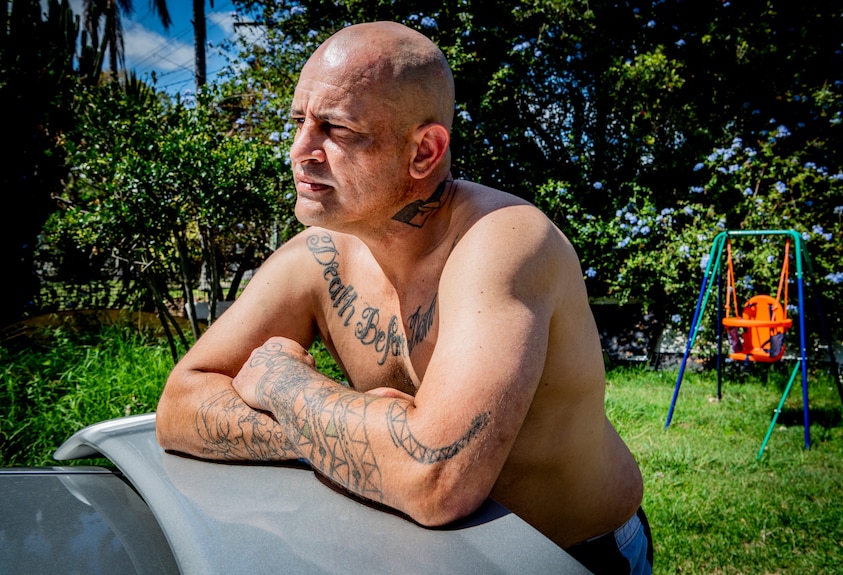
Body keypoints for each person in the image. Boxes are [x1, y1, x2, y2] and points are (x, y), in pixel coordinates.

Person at [155, 20, 652, 574]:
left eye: (336, 129)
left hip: (569, 558)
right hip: (428, 558)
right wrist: (347, 434)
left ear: (424, 151)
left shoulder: (503, 241)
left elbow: (435, 481)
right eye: (298, 122)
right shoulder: (318, 256)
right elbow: (178, 406)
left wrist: (282, 383)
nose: (300, 151)